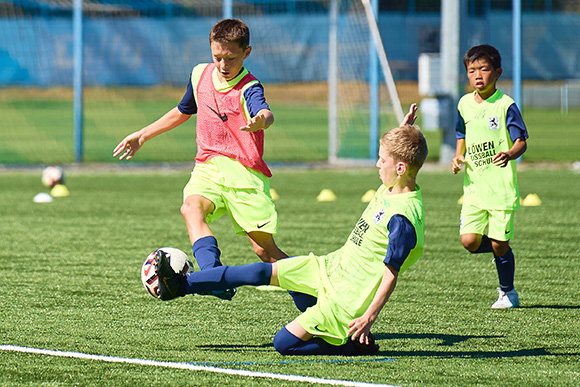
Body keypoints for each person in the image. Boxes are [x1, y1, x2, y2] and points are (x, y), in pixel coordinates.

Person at [154, 114, 428, 356]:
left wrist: (368, 318)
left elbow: (390, 274)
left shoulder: (403, 219)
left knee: (283, 343)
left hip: (344, 301)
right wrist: (403, 132)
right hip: (328, 268)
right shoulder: (393, 185)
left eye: (382, 160)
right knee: (262, 271)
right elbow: (401, 161)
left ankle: (349, 344)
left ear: (401, 168)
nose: (378, 165)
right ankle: (182, 286)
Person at [113, 19, 287, 301]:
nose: (222, 64)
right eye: (217, 56)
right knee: (190, 207)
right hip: (208, 165)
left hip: (244, 173)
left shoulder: (249, 88)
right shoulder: (199, 75)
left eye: (230, 58)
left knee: (264, 252)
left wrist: (261, 121)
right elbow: (183, 110)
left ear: (247, 52)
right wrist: (143, 135)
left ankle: (316, 292)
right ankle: (213, 277)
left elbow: (266, 113)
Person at [451, 44, 528, 309]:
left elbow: (522, 141)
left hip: (501, 190)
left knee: (498, 244)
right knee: (469, 241)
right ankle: (502, 251)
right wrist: (458, 155)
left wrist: (509, 153)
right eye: (472, 70)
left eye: (484, 69)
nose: (478, 75)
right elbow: (461, 133)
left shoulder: (506, 105)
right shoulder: (463, 104)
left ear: (497, 72)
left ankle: (508, 292)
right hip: (473, 187)